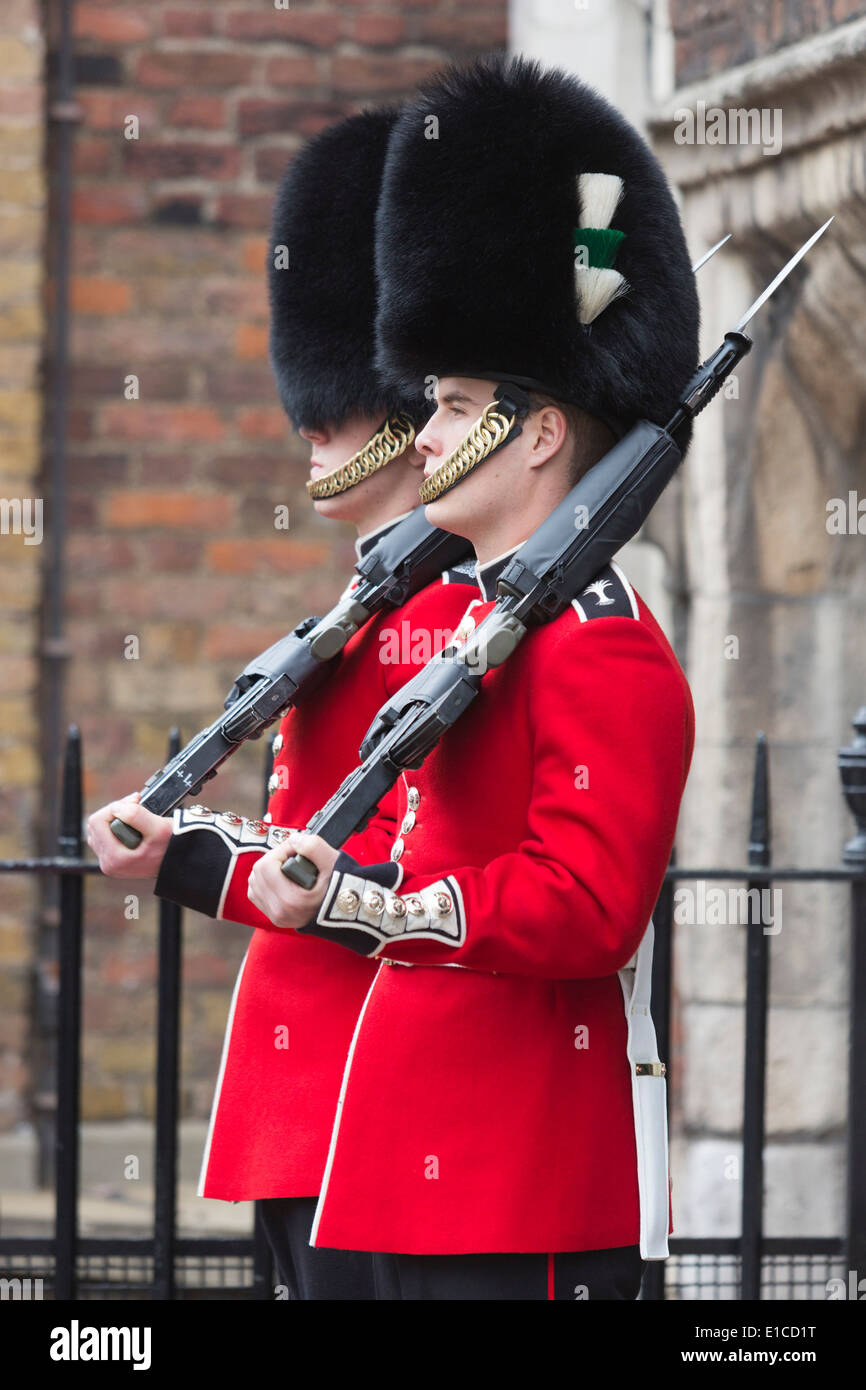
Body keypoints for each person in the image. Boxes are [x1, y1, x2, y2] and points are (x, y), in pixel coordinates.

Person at [228, 54, 702, 1300]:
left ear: (540, 428)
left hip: (523, 1179)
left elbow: (588, 907)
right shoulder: (481, 618)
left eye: (448, 403)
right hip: (406, 1153)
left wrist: (381, 908)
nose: (419, 431)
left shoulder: (597, 638)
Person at [86, 108, 478, 1300]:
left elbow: (397, 875)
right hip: (311, 1103)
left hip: (381, 1103)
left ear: (417, 414)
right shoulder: (363, 601)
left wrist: (195, 864)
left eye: (342, 404)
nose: (312, 428)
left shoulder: (451, 616)